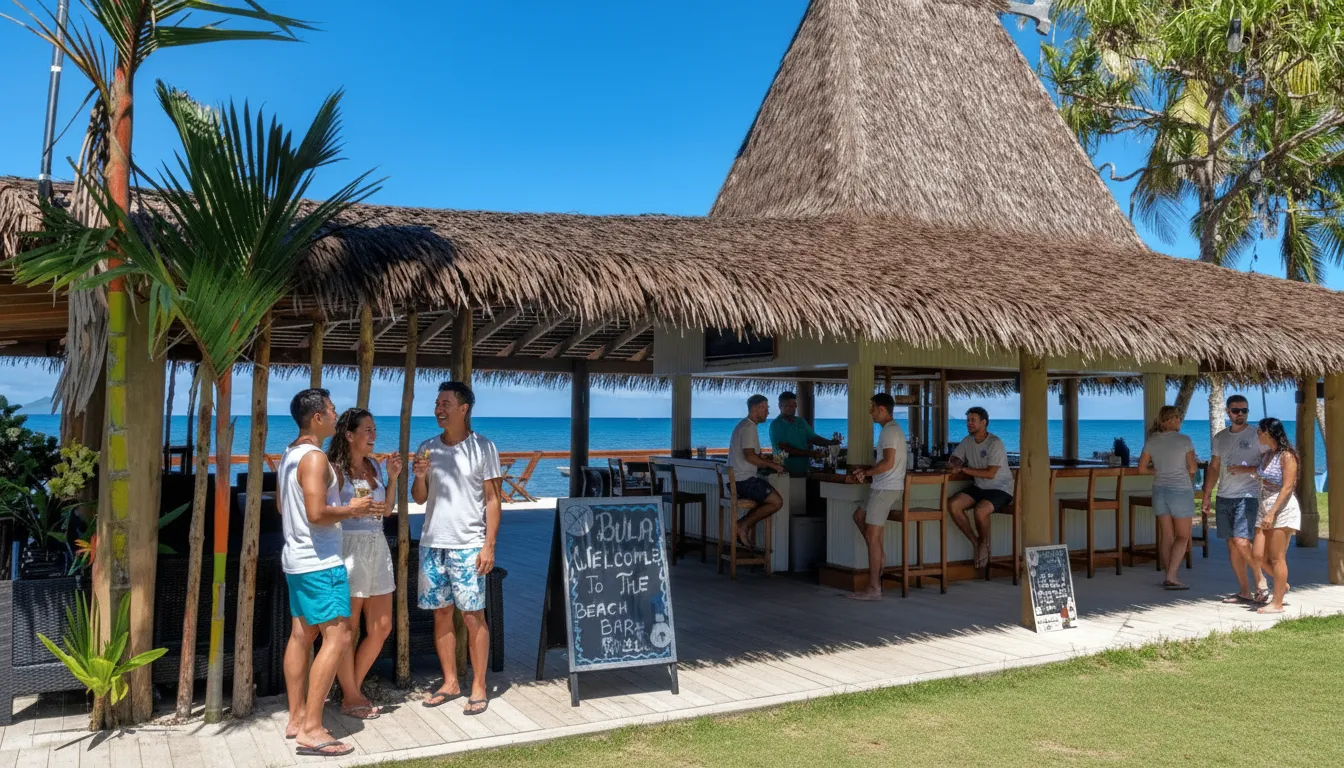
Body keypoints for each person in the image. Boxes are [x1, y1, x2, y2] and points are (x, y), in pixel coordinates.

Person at [279, 389, 382, 758]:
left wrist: (336, 506)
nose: (337, 416)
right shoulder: (315, 458)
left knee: (301, 636)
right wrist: (351, 509)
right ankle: (311, 728)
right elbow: (317, 514)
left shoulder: (289, 456)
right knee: (337, 639)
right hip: (320, 562)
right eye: (333, 410)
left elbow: (283, 505)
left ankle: (295, 719)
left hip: (296, 558)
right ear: (318, 417)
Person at [411, 381, 503, 716]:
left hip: (468, 545)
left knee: (473, 615)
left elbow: (493, 500)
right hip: (433, 543)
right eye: (437, 403)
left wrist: (488, 545)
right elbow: (419, 498)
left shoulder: (483, 448)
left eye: (446, 403)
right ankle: (450, 682)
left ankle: (478, 685)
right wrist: (419, 476)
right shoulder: (427, 448)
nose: (439, 408)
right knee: (441, 614)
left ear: (463, 409)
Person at [327, 408, 402, 719]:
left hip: (377, 544)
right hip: (350, 547)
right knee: (349, 627)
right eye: (368, 430)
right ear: (349, 435)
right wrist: (352, 508)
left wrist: (393, 479)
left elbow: (386, 512)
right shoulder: (335, 470)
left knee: (382, 626)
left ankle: (351, 690)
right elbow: (325, 511)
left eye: (375, 430)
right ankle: (352, 696)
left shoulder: (373, 466)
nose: (374, 435)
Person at [1203, 395, 1271, 604]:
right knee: (1232, 545)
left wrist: (1247, 469)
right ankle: (1243, 591)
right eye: (1235, 410)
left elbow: (1269, 465)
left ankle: (1261, 581)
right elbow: (1214, 468)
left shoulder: (1256, 436)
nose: (1240, 414)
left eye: (1244, 410)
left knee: (1242, 542)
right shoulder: (1220, 437)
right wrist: (1207, 495)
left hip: (1248, 495)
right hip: (1224, 496)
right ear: (1227, 412)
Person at [846, 393, 907, 601]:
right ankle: (879, 556)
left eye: (872, 408)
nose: (870, 412)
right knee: (859, 516)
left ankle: (874, 587)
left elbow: (888, 463)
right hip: (880, 487)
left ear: (881, 409)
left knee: (873, 536)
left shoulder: (890, 432)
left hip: (886, 488)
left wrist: (867, 473)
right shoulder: (889, 431)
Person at [1238, 418, 1300, 614]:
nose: (1257, 434)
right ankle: (1283, 584)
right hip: (1264, 506)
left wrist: (1272, 513)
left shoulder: (1287, 456)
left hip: (1281, 508)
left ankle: (1277, 603)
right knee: (1257, 555)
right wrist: (1241, 469)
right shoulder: (1267, 455)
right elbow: (1260, 474)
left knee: (1276, 558)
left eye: (1259, 431)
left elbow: (1288, 487)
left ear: (1268, 432)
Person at [1136, 405, 1198, 590]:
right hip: (1180, 490)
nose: (1179, 420)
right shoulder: (1184, 440)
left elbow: (1141, 469)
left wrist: (1156, 470)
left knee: (1167, 535)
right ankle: (1172, 576)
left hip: (1159, 489)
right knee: (1183, 536)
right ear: (1168, 420)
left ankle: (1168, 574)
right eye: (1176, 417)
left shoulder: (1152, 441)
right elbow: (1193, 468)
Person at [946, 407, 1015, 569]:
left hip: (1000, 489)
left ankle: (984, 543)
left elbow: (991, 473)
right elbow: (955, 458)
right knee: (953, 505)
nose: (969, 423)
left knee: (980, 510)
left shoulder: (994, 443)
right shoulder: (967, 441)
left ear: (984, 422)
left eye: (973, 420)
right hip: (979, 487)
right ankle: (976, 542)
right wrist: (955, 463)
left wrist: (963, 469)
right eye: (968, 420)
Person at [727, 394, 788, 548]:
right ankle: (742, 525)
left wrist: (764, 459)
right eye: (765, 408)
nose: (768, 412)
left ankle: (743, 525)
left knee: (769, 499)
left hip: (736, 481)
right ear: (755, 408)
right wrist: (773, 466)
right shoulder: (749, 427)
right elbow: (749, 456)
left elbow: (752, 454)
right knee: (776, 502)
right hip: (744, 481)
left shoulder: (743, 425)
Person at [769, 391, 840, 477]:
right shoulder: (776, 425)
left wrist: (830, 443)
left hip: (804, 469)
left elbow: (814, 438)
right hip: (784, 471)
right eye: (788, 406)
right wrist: (811, 454)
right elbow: (786, 449)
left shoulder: (801, 421)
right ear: (780, 406)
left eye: (794, 405)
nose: (791, 408)